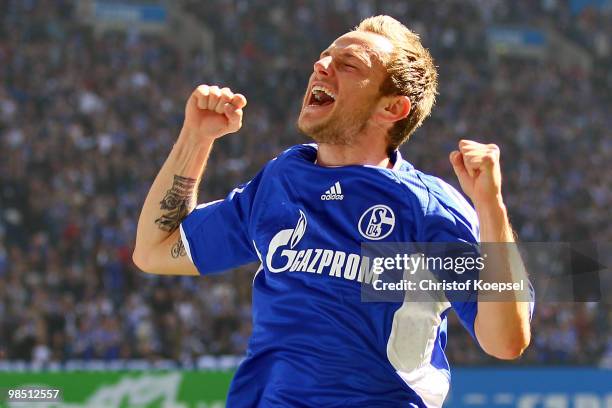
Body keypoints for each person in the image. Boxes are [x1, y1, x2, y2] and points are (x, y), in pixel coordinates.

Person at [133, 15, 533, 407]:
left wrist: (490, 208)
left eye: (349, 64)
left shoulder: (425, 210)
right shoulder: (281, 182)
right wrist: (196, 137)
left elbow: (505, 342)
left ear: (391, 109)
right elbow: (154, 249)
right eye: (325, 57)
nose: (321, 66)